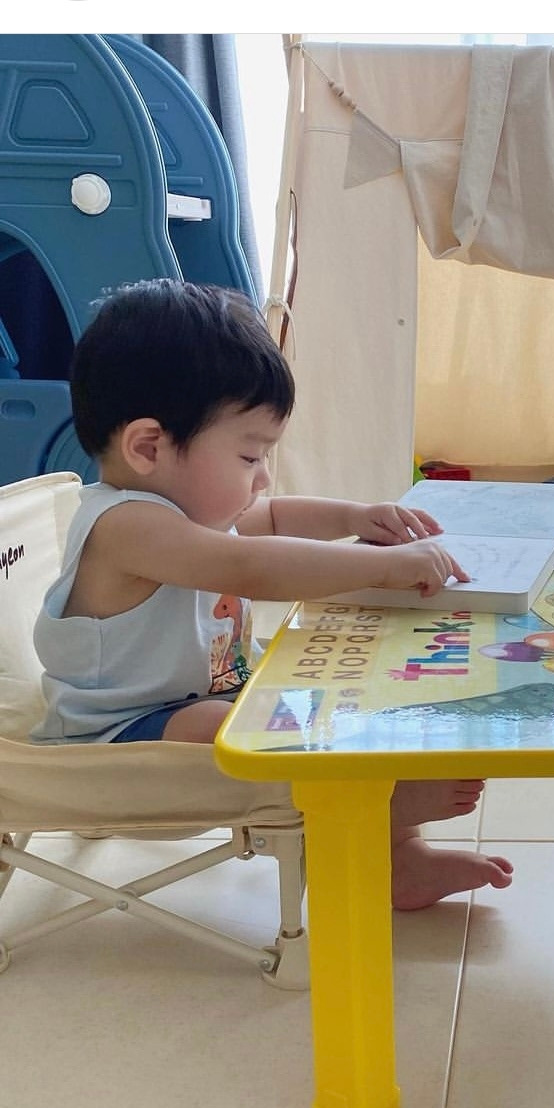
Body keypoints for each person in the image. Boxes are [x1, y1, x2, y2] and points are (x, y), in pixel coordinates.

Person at [32, 278, 513, 911]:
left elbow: (276, 517)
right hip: (115, 737)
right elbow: (251, 567)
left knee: (321, 697)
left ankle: (398, 857)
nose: (261, 478)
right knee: (247, 727)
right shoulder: (126, 525)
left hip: (198, 699)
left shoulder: (193, 510)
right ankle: (388, 799)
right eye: (249, 456)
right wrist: (381, 568)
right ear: (149, 447)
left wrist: (356, 516)